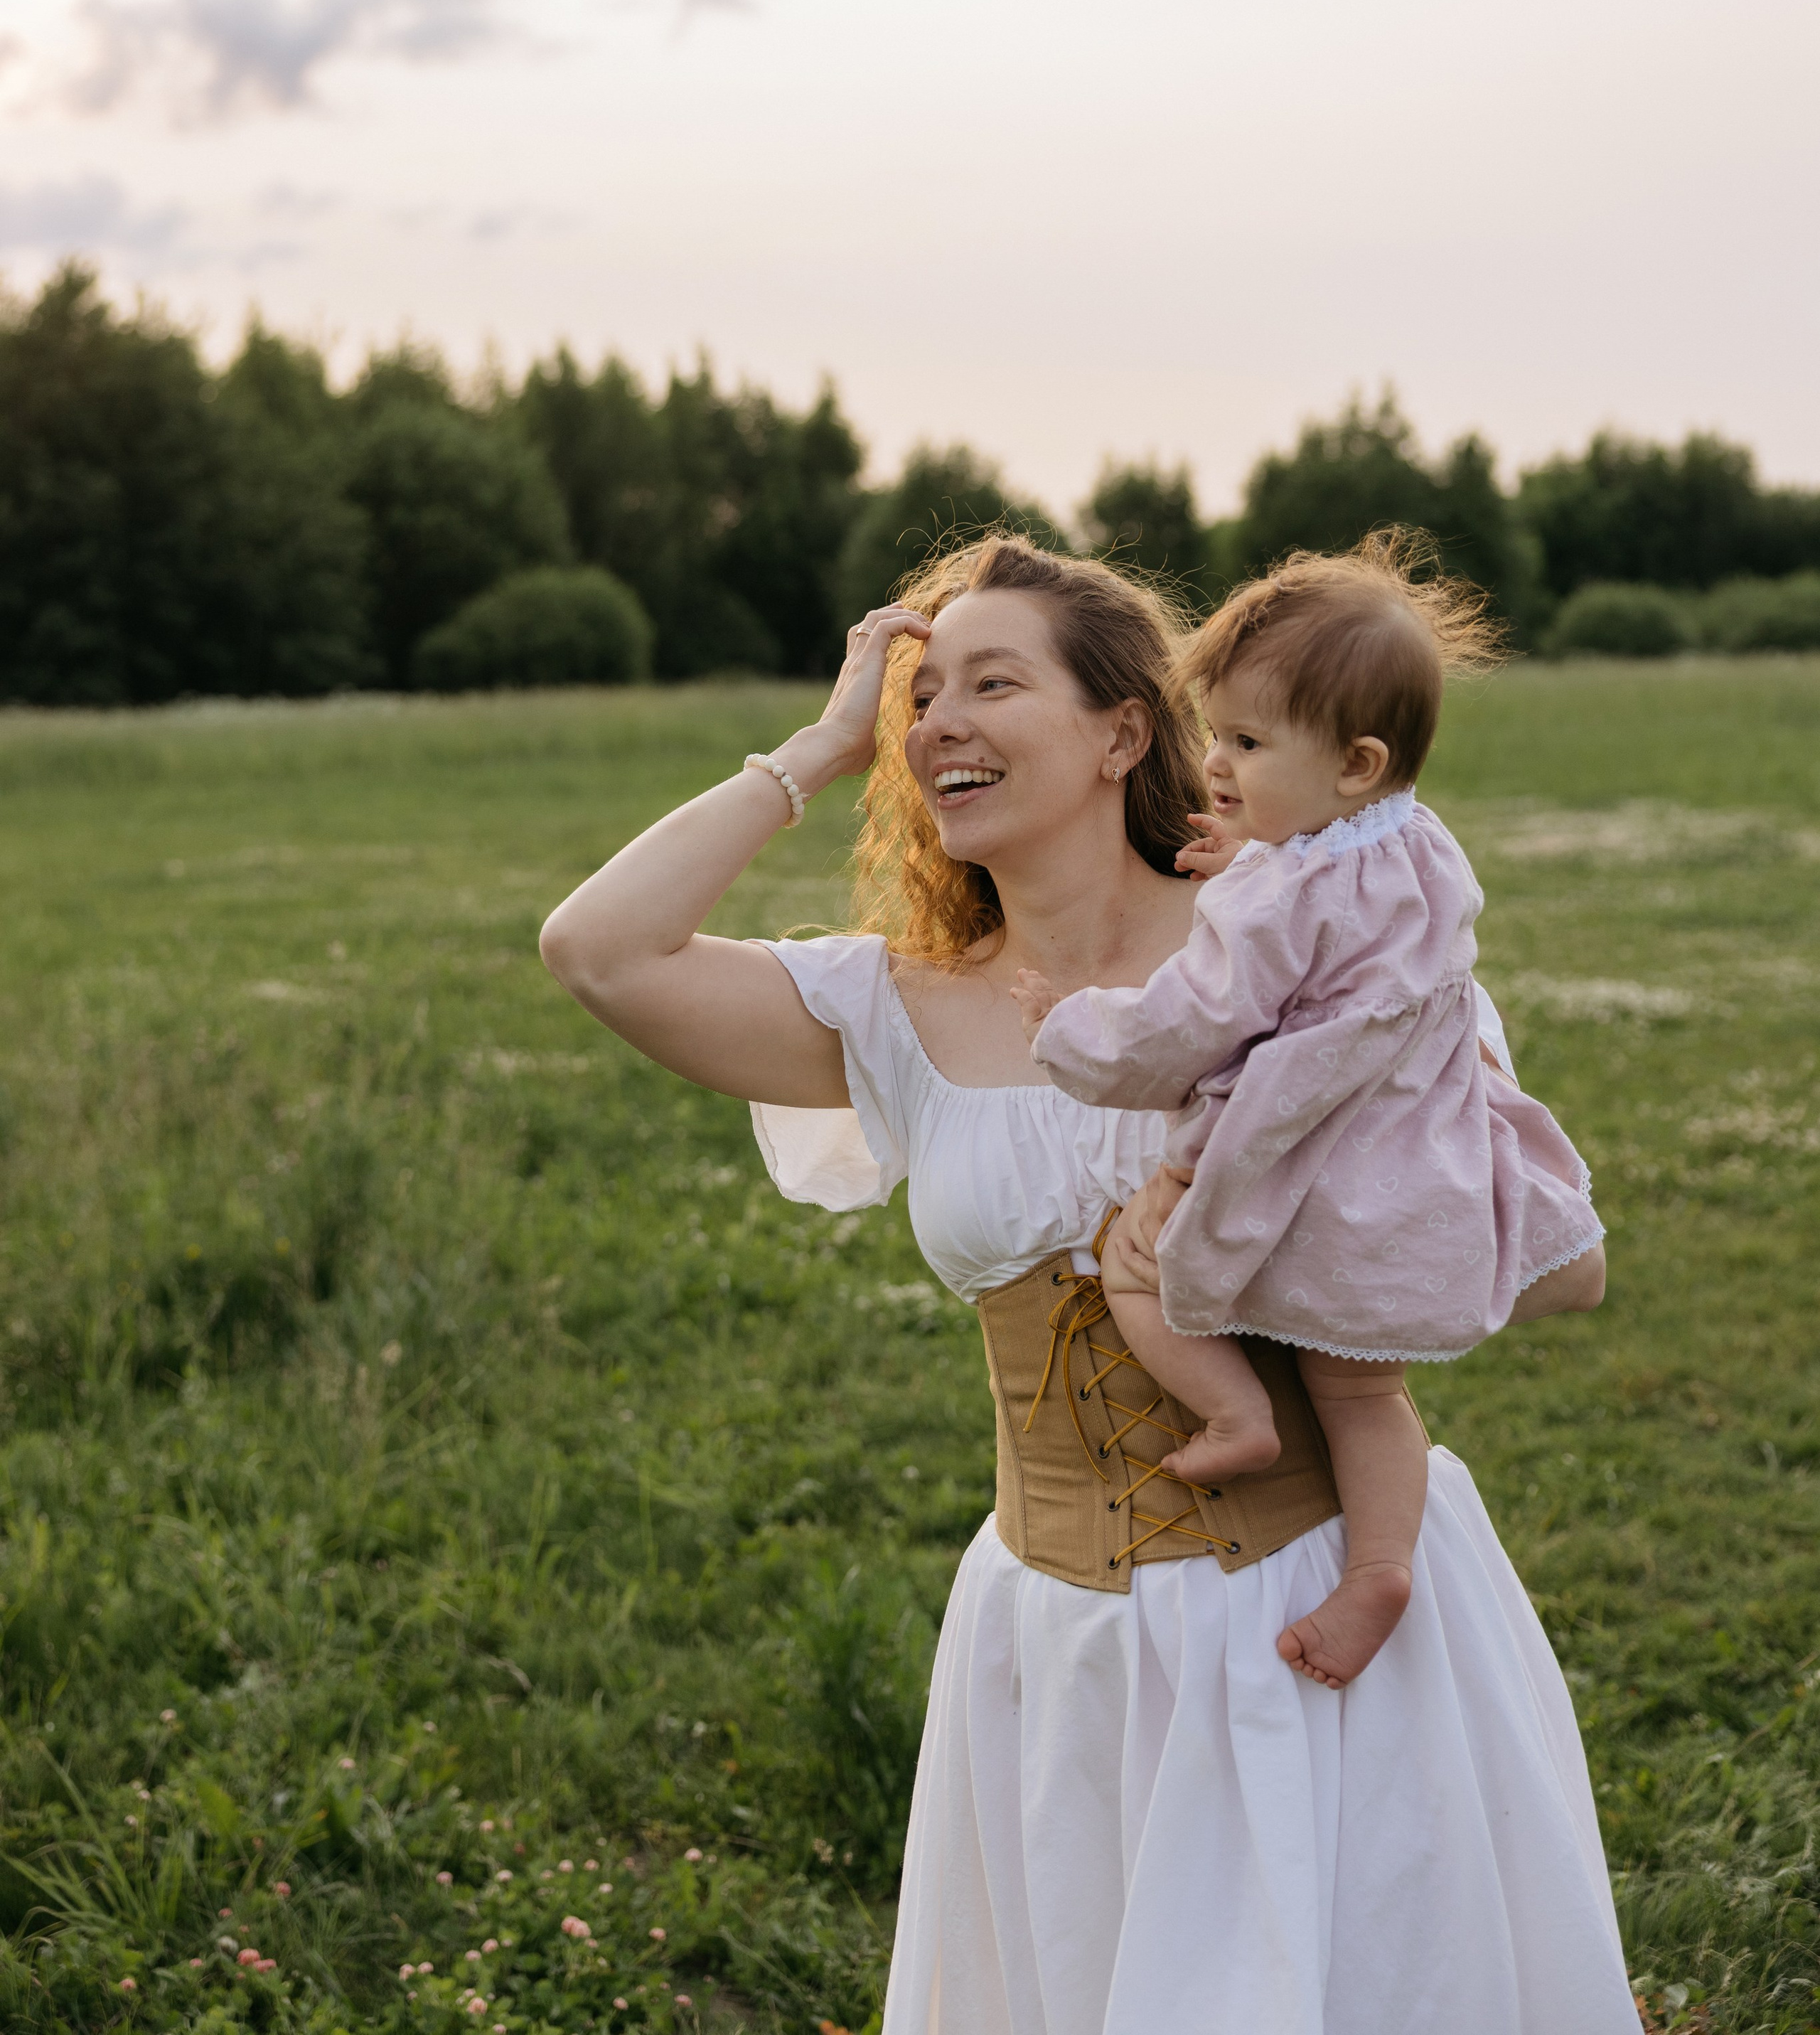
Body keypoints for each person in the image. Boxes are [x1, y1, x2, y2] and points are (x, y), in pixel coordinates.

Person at [540, 535, 1637, 2035]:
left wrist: (1244, 1232)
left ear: (1123, 730)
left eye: (995, 683)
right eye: (927, 696)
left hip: (1310, 1622)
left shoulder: (1305, 954)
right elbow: (594, 950)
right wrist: (813, 746)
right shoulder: (887, 1010)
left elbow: (1551, 1266)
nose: (940, 725)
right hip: (1052, 1649)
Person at [1010, 538, 1605, 1690]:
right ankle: (1382, 1565)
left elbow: (1190, 1026)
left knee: (1137, 1264)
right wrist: (1252, 852)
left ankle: (1233, 1412)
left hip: (1314, 1166)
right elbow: (1348, 907)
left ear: (1354, 761)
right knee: (1367, 1392)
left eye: (1244, 743)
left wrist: (1068, 1025)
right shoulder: (1420, 845)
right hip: (1414, 1156)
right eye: (1216, 734)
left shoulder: (1277, 893)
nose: (1215, 765)